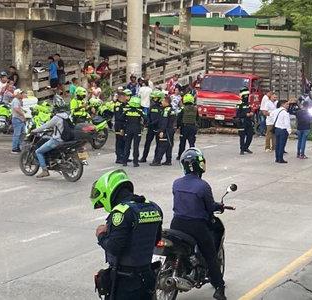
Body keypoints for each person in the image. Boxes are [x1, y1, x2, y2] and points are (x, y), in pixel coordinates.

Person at [91, 169, 163, 300]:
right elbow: (156, 240)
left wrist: (101, 235)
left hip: (125, 280)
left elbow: (114, 247)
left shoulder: (121, 212)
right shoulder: (153, 207)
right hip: (147, 275)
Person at [171, 148, 227, 300]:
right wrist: (220, 206)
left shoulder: (176, 183)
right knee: (210, 255)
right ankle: (219, 288)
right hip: (196, 226)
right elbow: (209, 207)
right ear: (199, 165)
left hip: (176, 224)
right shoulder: (203, 186)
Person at [31, 103, 70, 178]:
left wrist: (35, 130)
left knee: (38, 151)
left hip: (57, 140)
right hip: (66, 139)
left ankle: (44, 170)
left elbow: (46, 126)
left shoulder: (56, 117)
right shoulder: (67, 116)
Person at [140, 91, 165, 163]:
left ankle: (156, 159)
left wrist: (151, 124)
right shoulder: (152, 107)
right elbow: (148, 115)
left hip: (158, 128)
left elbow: (160, 119)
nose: (154, 99)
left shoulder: (162, 108)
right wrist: (147, 122)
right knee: (147, 143)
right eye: (153, 98)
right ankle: (144, 157)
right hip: (150, 128)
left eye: (156, 98)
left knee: (158, 144)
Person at [122, 97, 146, 167]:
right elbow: (146, 119)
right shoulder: (140, 111)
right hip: (137, 130)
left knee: (127, 146)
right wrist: (143, 124)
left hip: (128, 129)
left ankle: (125, 162)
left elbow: (121, 118)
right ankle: (135, 162)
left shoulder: (127, 111)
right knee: (136, 146)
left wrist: (125, 124)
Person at [149, 96, 173, 166]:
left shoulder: (166, 111)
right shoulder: (172, 109)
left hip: (166, 130)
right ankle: (168, 160)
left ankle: (157, 161)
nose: (161, 102)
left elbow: (164, 122)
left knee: (162, 146)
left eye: (163, 101)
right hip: (171, 130)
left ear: (166, 102)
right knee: (169, 145)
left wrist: (161, 131)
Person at [176, 93, 198, 159]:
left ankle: (180, 156)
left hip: (184, 127)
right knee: (192, 143)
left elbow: (179, 118)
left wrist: (177, 127)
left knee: (182, 143)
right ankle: (193, 156)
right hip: (193, 127)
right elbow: (197, 118)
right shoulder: (195, 109)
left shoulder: (183, 109)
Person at [235, 89, 254, 155]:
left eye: (247, 96)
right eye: (245, 96)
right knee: (242, 137)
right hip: (241, 122)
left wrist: (251, 113)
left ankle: (246, 147)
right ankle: (242, 149)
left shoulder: (248, 104)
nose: (246, 97)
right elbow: (237, 115)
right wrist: (245, 115)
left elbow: (251, 110)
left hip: (248, 121)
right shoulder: (239, 104)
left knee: (250, 135)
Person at [114, 89, 131, 164]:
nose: (126, 98)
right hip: (119, 126)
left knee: (125, 141)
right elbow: (118, 118)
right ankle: (119, 158)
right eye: (125, 97)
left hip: (126, 126)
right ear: (121, 97)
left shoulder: (126, 104)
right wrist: (121, 128)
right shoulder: (118, 105)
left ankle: (124, 156)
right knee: (119, 142)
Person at [11, 89, 27, 154]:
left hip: (20, 119)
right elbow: (16, 109)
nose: (22, 94)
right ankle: (14, 148)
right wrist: (23, 115)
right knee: (17, 134)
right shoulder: (15, 101)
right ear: (17, 94)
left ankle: (18, 147)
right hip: (17, 119)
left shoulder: (18, 100)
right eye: (21, 93)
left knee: (22, 134)